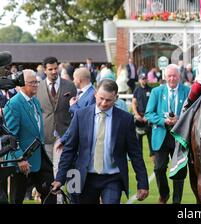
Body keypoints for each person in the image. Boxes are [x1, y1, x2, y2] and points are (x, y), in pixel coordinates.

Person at [52, 79, 149, 204]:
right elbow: (69, 149)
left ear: (116, 98)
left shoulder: (125, 119)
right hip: (85, 178)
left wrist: (143, 183)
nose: (103, 103)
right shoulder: (80, 116)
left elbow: (135, 153)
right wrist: (60, 178)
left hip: (113, 178)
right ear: (95, 94)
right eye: (101, 98)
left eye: (108, 100)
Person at [4, 70, 56, 204]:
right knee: (17, 198)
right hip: (21, 161)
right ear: (22, 84)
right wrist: (20, 158)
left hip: (39, 155)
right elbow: (10, 136)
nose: (36, 85)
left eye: (37, 82)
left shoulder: (35, 101)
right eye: (32, 83)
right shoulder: (14, 104)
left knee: (50, 190)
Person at [145, 64, 190, 204]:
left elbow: (192, 112)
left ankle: (177, 201)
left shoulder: (187, 91)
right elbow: (148, 114)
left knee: (179, 171)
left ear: (179, 76)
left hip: (180, 136)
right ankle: (164, 195)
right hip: (161, 135)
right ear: (165, 77)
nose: (172, 78)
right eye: (169, 76)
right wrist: (164, 121)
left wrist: (179, 119)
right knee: (159, 169)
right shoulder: (156, 92)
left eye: (174, 76)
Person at [36, 56, 77, 177]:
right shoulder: (38, 87)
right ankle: (51, 194)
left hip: (64, 133)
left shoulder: (70, 86)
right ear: (44, 70)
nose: (54, 71)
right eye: (50, 69)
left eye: (55, 68)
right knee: (48, 168)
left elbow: (75, 111)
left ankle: (59, 195)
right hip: (46, 133)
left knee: (59, 166)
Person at [132, 73, 154, 159]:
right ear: (139, 80)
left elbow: (153, 104)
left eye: (145, 79)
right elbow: (133, 103)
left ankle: (154, 160)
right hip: (139, 118)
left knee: (151, 140)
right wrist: (136, 115)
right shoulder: (137, 90)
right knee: (138, 141)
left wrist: (148, 116)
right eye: (142, 79)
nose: (143, 80)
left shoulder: (151, 90)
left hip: (148, 118)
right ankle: (139, 159)